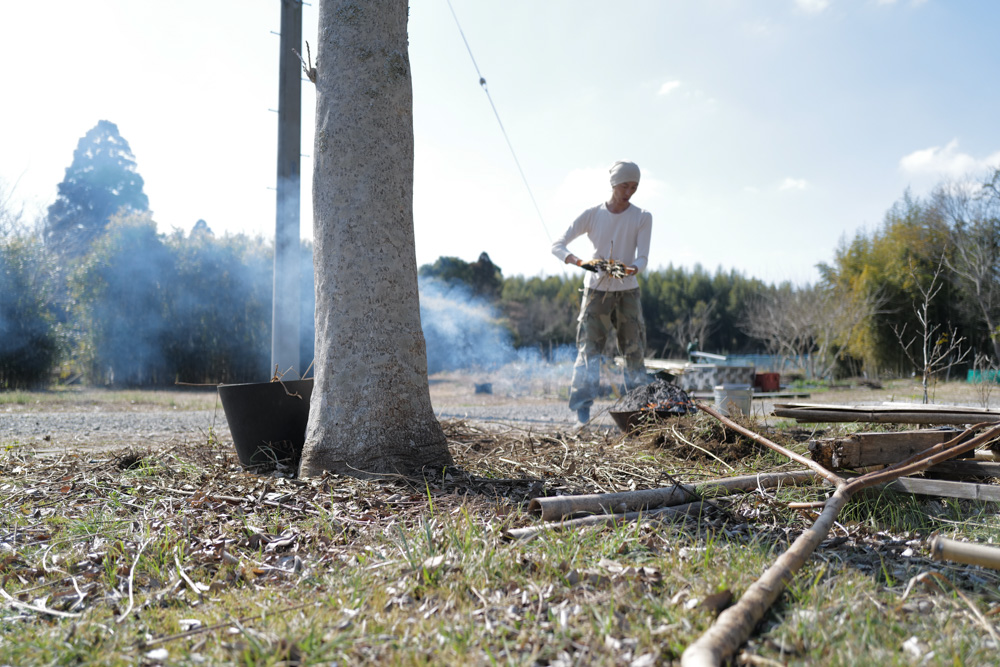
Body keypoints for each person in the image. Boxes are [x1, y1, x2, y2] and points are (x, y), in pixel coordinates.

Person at [551, 160, 653, 423]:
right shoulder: (592, 215)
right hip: (596, 291)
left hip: (627, 291)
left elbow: (642, 259)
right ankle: (582, 414)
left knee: (634, 351)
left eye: (634, 186)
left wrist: (630, 270)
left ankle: (639, 413)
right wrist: (582, 262)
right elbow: (558, 245)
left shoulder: (642, 217)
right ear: (613, 184)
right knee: (589, 351)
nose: (629, 191)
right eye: (625, 186)